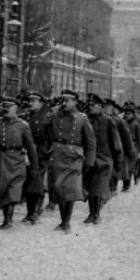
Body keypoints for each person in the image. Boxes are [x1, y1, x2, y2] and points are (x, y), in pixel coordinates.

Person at [0, 96, 38, 230]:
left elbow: (31, 148)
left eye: (9, 106)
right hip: (0, 159)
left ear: (16, 108)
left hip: (17, 160)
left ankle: (8, 220)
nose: (6, 109)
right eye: (4, 106)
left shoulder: (22, 125)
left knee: (13, 189)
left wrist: (34, 167)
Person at [48, 89, 96, 233]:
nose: (64, 103)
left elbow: (91, 141)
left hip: (74, 156)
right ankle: (64, 221)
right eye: (62, 100)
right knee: (58, 187)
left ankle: (65, 222)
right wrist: (52, 111)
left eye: (67, 100)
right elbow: (44, 125)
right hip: (58, 154)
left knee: (69, 188)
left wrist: (89, 161)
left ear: (75, 102)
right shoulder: (55, 116)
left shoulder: (82, 118)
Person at [83, 93, 123, 225]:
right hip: (88, 159)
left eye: (92, 105)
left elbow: (115, 142)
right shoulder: (86, 120)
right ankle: (91, 213)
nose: (90, 107)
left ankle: (96, 214)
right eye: (89, 105)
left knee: (98, 186)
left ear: (100, 107)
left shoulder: (107, 121)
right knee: (89, 186)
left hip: (103, 160)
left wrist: (118, 160)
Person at [19, 91, 52, 224]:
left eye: (34, 101)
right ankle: (30, 211)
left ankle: (36, 211)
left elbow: (51, 138)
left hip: (40, 153)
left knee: (36, 181)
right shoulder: (25, 117)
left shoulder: (47, 118)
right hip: (26, 153)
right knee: (28, 182)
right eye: (30, 101)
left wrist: (47, 152)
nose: (30, 103)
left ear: (41, 103)